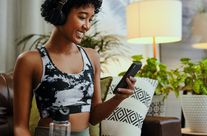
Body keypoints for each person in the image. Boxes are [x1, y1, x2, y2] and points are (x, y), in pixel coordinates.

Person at [13, 0, 136, 136]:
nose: (87, 26)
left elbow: (94, 117)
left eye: (90, 19)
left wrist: (118, 98)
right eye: (82, 17)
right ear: (60, 13)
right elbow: (20, 127)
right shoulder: (30, 61)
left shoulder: (92, 57)